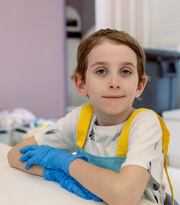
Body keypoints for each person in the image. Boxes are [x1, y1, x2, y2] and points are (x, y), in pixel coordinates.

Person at [8, 29, 173, 205]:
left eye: (125, 72)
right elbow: (15, 155)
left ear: (139, 85)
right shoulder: (81, 118)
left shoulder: (145, 123)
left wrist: (66, 163)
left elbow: (124, 196)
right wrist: (56, 173)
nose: (114, 83)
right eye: (101, 71)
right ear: (81, 84)